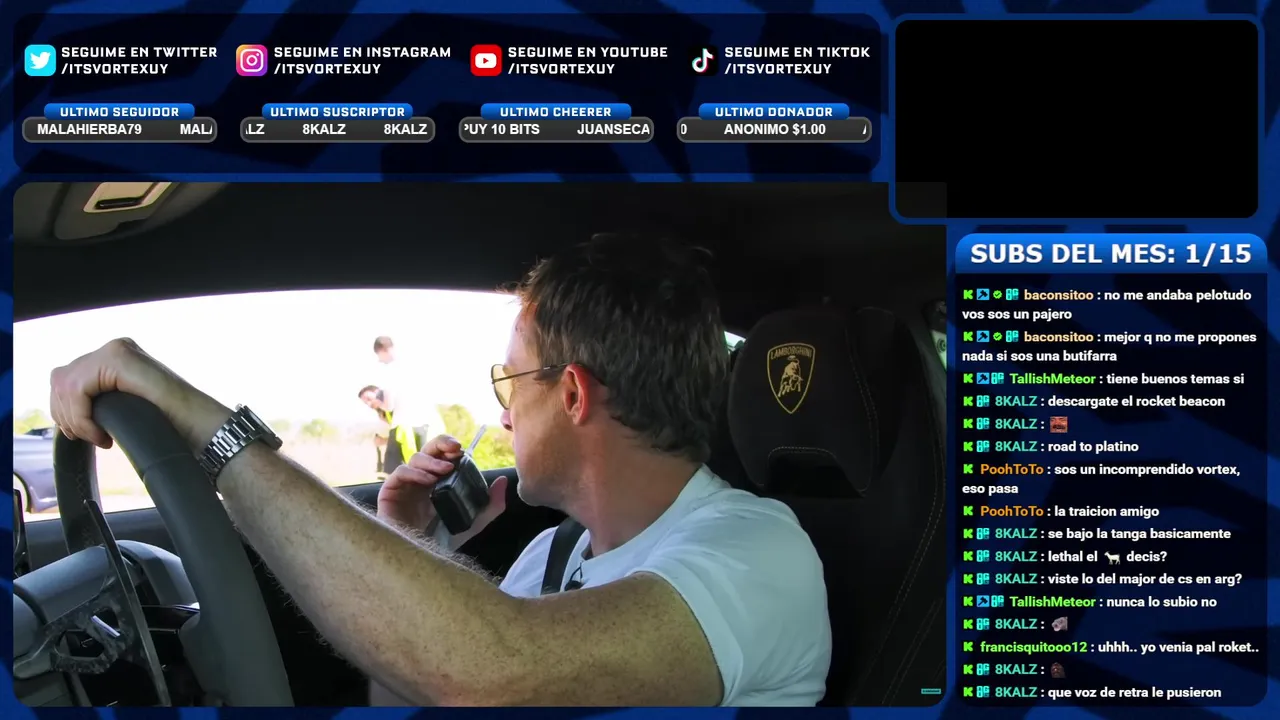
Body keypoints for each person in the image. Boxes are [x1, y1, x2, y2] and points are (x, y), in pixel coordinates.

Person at [49, 237, 832, 706]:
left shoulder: (755, 551)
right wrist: (405, 539)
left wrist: (203, 425)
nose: (502, 414)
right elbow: (419, 695)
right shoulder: (551, 554)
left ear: (570, 393)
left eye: (508, 382)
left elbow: (493, 672)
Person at [370, 335, 446, 453]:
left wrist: (377, 404)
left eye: (379, 355)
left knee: (403, 464)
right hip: (425, 425)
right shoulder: (414, 365)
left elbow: (389, 406)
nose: (380, 360)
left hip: (404, 428)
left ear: (382, 350)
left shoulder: (390, 371)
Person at [358, 384, 419, 475]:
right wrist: (383, 440)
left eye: (368, 399)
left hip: (408, 437)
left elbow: (389, 407)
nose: (369, 404)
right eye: (366, 403)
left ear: (376, 391)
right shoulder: (385, 414)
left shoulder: (389, 393)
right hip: (402, 439)